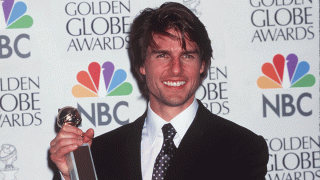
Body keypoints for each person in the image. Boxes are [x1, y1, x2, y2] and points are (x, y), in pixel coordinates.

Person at [50, 2, 269, 180]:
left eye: (188, 55)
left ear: (202, 65)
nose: (176, 69)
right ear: (142, 65)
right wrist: (71, 174)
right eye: (162, 55)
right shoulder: (101, 152)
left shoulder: (242, 148)